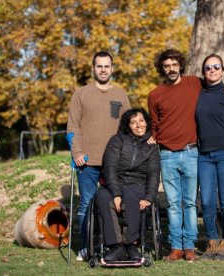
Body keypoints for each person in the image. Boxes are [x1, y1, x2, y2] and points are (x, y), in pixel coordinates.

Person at [147, 49, 224, 261]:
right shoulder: (154, 94)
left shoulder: (195, 83)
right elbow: (154, 123)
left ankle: (189, 246)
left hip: (191, 153)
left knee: (189, 202)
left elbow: (216, 84)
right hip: (167, 155)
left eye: (174, 65)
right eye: (166, 65)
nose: (171, 69)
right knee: (173, 203)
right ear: (162, 68)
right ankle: (175, 247)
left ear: (180, 66)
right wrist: (152, 137)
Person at [67, 51, 130, 261]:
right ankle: (86, 247)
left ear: (112, 68)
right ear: (93, 68)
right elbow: (72, 126)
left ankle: (110, 245)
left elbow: (128, 127)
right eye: (99, 66)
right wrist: (77, 151)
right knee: (86, 203)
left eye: (107, 66)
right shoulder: (81, 94)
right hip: (86, 162)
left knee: (113, 204)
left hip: (114, 163)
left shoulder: (121, 95)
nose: (103, 69)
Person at [95, 108, 160, 261]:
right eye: (133, 122)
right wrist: (116, 194)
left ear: (146, 122)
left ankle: (131, 245)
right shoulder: (117, 140)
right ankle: (116, 246)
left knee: (132, 196)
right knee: (103, 198)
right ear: (127, 125)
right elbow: (109, 167)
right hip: (114, 183)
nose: (138, 125)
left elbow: (154, 173)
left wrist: (149, 197)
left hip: (137, 184)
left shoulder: (152, 146)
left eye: (141, 121)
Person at [195, 54, 224, 261]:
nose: (212, 70)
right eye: (207, 67)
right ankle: (213, 242)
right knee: (206, 202)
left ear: (223, 71)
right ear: (203, 72)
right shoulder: (197, 92)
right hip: (203, 155)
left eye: (216, 67)